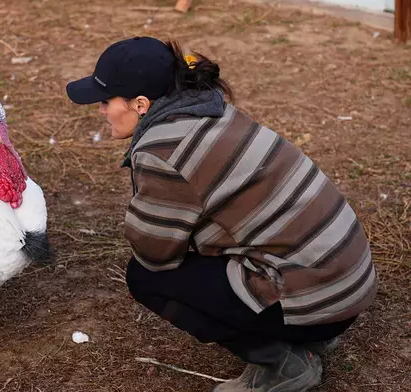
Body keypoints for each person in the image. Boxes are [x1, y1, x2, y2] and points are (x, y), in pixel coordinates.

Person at [65, 36, 377, 392]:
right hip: (345, 282)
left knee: (146, 278)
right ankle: (307, 334)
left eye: (105, 101)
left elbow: (154, 253)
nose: (101, 110)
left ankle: (283, 365)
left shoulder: (163, 150)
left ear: (140, 104)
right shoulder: (210, 109)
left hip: (324, 300)